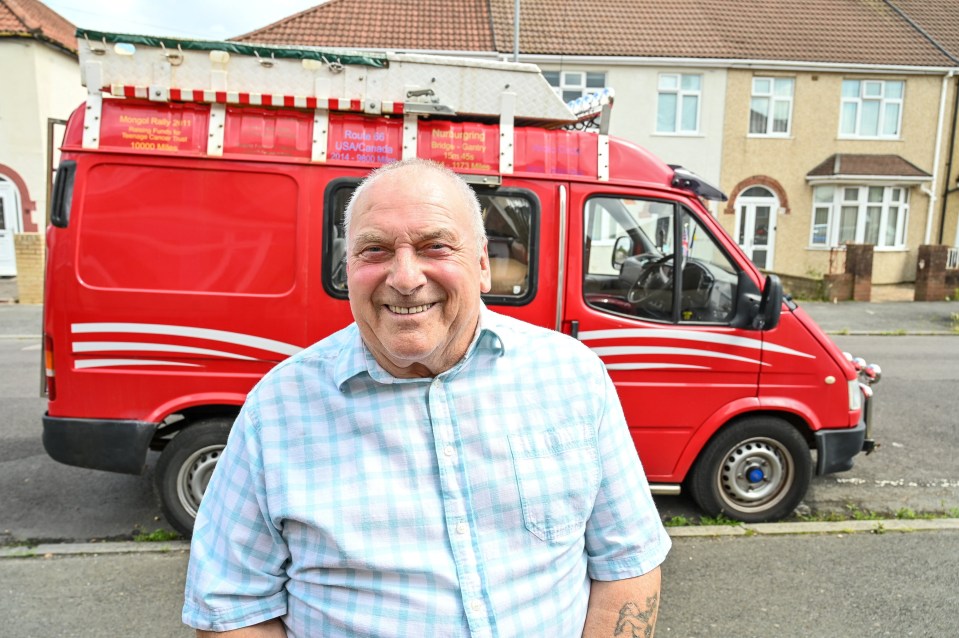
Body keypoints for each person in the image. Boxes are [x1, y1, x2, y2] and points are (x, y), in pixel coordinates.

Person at [183, 159, 671, 637]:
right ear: (347, 268)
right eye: (374, 251)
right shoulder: (279, 408)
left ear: (482, 265)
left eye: (435, 246)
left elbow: (628, 562)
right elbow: (230, 604)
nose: (405, 277)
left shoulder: (572, 376)